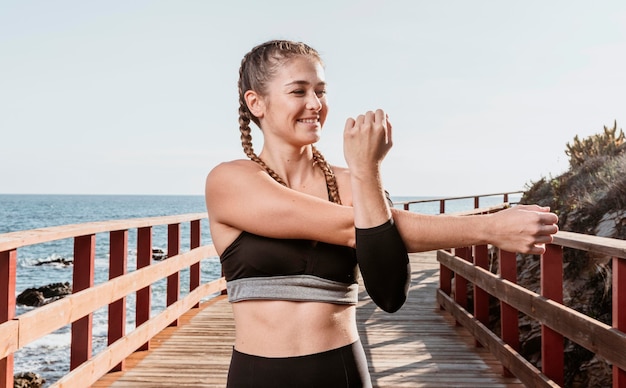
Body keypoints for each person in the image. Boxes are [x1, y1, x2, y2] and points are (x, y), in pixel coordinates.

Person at [205, 40, 558, 388]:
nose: (315, 104)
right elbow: (353, 228)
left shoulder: (353, 181)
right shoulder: (231, 181)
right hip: (258, 377)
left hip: (341, 372)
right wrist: (489, 228)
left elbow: (389, 293)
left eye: (321, 91)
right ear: (257, 103)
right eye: (298, 92)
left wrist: (364, 171)